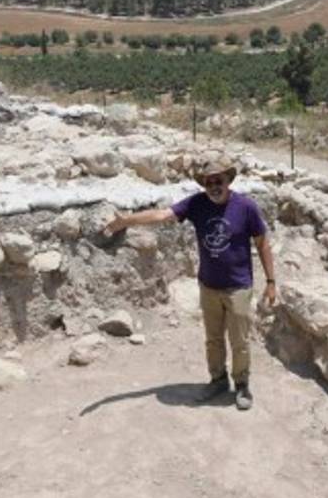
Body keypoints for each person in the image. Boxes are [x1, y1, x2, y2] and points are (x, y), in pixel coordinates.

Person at [103, 152, 276, 410]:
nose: (214, 186)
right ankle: (218, 380)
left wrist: (271, 282)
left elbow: (262, 244)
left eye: (218, 181)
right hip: (209, 286)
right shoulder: (196, 203)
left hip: (238, 286)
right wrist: (126, 221)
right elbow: (162, 215)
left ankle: (242, 385)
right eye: (209, 182)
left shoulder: (246, 207)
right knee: (213, 339)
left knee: (239, 340)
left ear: (228, 180)